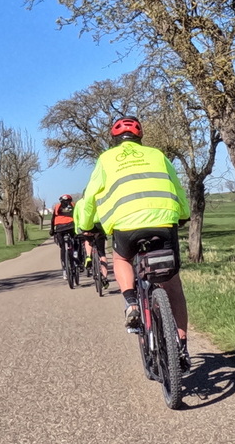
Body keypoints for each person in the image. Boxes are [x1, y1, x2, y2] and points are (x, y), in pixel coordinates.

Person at [73, 115, 190, 362]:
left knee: (122, 257)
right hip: (163, 221)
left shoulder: (105, 159)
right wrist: (183, 214)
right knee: (173, 284)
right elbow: (176, 186)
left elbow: (91, 196)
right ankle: (181, 346)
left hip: (126, 226)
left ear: (114, 139)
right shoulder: (158, 155)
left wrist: (85, 226)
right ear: (140, 138)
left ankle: (132, 304)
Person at [49, 193, 79, 276]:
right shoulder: (73, 205)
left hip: (60, 229)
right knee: (76, 241)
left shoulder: (57, 207)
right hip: (71, 227)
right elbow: (78, 216)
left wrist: (52, 230)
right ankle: (76, 255)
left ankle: (65, 269)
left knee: (62, 248)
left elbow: (52, 220)